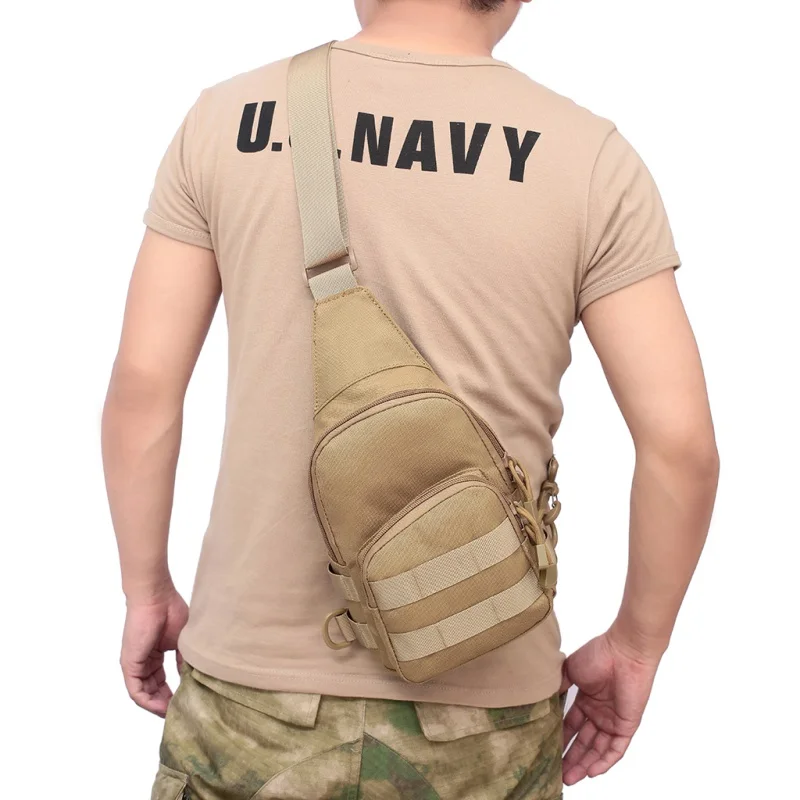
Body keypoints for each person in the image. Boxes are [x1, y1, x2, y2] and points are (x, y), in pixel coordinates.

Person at [102, 1, 719, 797]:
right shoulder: (591, 159)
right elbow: (681, 445)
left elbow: (144, 386)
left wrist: (145, 588)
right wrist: (637, 644)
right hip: (484, 712)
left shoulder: (229, 120)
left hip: (251, 699)